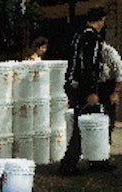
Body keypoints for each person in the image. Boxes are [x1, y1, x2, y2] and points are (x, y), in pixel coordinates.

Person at [60, 6, 119, 176]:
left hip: (74, 85)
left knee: (91, 124)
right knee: (84, 124)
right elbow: (90, 67)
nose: (103, 24)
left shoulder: (77, 36)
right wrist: (91, 91)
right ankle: (69, 164)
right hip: (84, 88)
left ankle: (97, 160)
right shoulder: (92, 38)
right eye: (103, 20)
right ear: (100, 20)